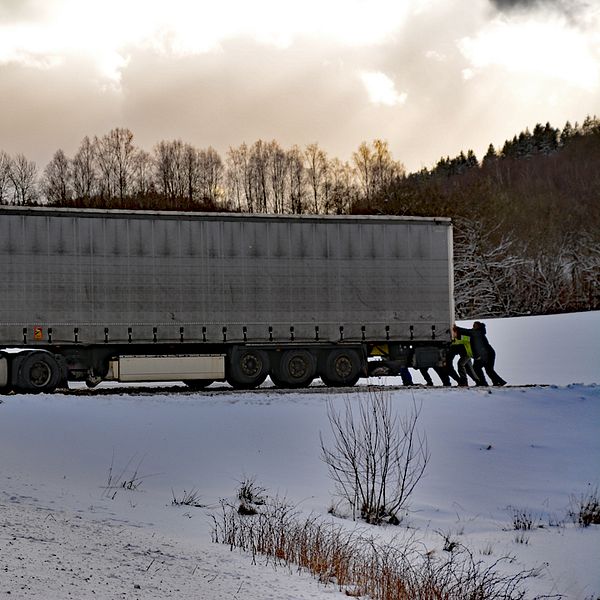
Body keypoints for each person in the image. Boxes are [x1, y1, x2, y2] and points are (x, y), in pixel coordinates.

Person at [454, 322, 506, 386]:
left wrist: (457, 328)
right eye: (473, 325)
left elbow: (467, 332)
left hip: (488, 354)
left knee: (483, 368)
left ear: (478, 326)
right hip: (484, 354)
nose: (473, 327)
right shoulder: (476, 333)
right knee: (484, 369)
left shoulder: (477, 333)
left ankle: (490, 382)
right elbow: (467, 335)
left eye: (474, 326)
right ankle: (493, 382)